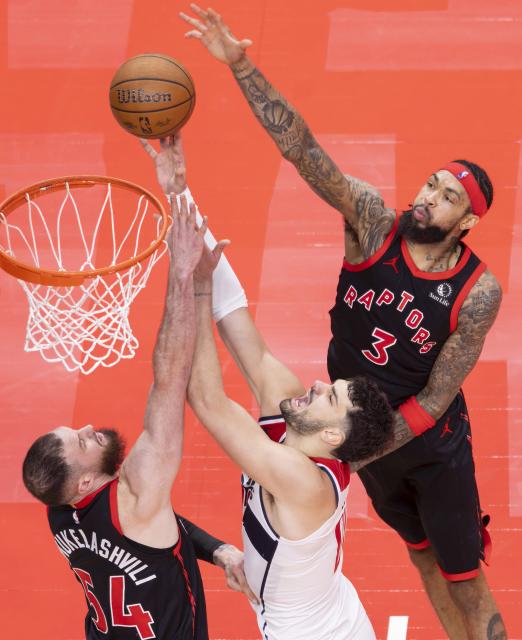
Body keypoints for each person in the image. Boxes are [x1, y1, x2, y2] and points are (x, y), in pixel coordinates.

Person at [179, 5, 507, 638]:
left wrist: (356, 450)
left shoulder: (478, 290)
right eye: (430, 184)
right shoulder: (372, 225)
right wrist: (240, 64)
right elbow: (302, 149)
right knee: (420, 556)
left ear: (466, 222)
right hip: (350, 424)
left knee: (464, 573)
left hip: (424, 442)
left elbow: (437, 396)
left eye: (446, 197)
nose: (426, 197)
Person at [22, 186, 254, 639]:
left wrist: (218, 551)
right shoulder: (133, 495)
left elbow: (159, 527)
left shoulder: (62, 511)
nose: (89, 427)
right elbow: (170, 376)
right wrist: (183, 274)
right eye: (82, 441)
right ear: (86, 482)